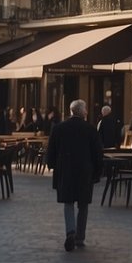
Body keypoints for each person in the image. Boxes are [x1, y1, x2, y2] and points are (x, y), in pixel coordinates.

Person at [46, 99, 103, 252]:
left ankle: (70, 231)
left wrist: (52, 166)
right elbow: (98, 153)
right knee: (83, 205)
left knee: (68, 202)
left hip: (66, 170)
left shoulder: (59, 128)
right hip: (85, 171)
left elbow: (51, 151)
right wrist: (98, 172)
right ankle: (79, 237)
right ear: (83, 112)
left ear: (71, 111)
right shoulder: (91, 129)